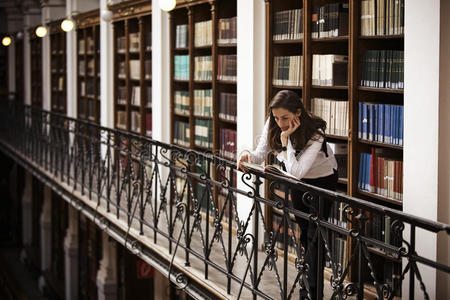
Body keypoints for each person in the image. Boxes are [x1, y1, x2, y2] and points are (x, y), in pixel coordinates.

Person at [238, 90, 338, 299]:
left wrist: (286, 142)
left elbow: (297, 170)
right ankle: (306, 288)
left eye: (284, 117)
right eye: (275, 117)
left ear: (298, 113)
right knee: (304, 233)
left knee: (315, 237)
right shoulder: (273, 123)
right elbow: (259, 154)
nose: (279, 122)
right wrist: (247, 155)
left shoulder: (315, 133)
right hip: (297, 183)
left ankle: (312, 294)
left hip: (322, 182)